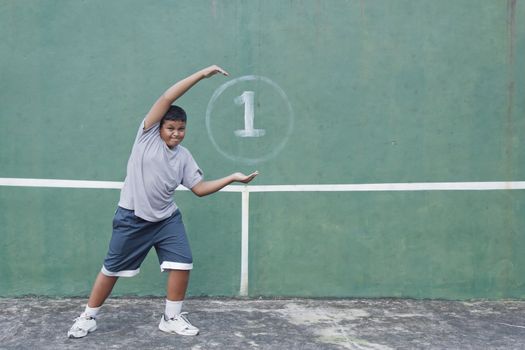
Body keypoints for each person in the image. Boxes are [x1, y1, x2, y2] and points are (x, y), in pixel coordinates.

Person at [68, 65, 258, 338]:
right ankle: (88, 316)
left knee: (182, 264)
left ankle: (171, 317)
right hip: (132, 218)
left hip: (167, 219)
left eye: (181, 129)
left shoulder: (183, 157)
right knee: (111, 270)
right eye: (170, 127)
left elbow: (200, 189)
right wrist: (201, 75)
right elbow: (168, 97)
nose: (176, 133)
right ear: (159, 126)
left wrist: (232, 178)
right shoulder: (146, 137)